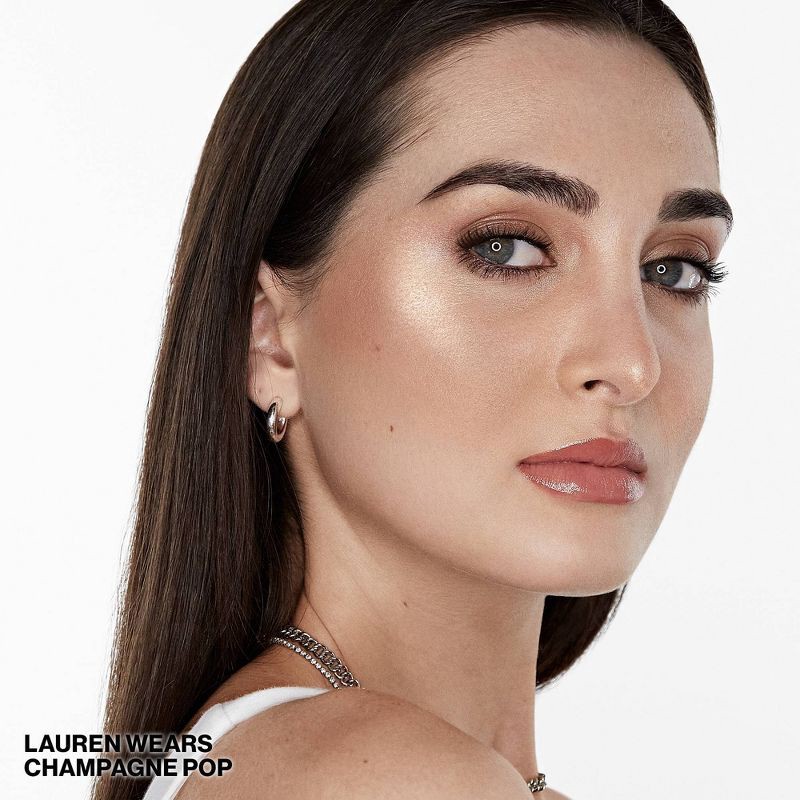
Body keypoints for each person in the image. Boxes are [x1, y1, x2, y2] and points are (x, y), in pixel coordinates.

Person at [94, 2, 733, 798]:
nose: (632, 363)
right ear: (272, 340)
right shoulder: (390, 778)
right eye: (507, 247)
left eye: (674, 270)